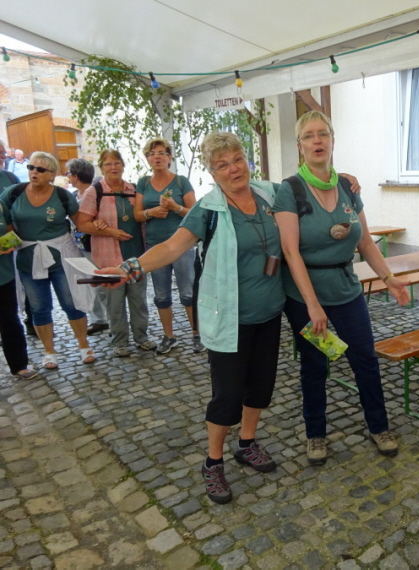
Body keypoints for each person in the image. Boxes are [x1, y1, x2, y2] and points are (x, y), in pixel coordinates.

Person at [97, 132, 284, 505]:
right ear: (212, 173)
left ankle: (246, 443)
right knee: (227, 395)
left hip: (269, 312)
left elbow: (307, 189)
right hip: (229, 317)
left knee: (261, 387)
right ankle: (213, 462)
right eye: (222, 165)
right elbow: (171, 246)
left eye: (237, 159)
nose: (234, 169)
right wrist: (131, 267)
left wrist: (342, 179)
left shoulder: (269, 194)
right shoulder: (208, 209)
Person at [273, 110, 410, 466]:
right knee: (315, 363)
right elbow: (290, 252)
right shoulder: (290, 190)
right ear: (300, 145)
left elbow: (364, 242)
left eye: (323, 134)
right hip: (305, 295)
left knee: (364, 359)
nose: (317, 141)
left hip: (346, 288)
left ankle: (379, 426)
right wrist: (312, 305)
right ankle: (315, 434)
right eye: (309, 136)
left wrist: (388, 278)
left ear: (333, 140)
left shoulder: (348, 187)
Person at [0, 152, 96, 369]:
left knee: (71, 303)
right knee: (39, 307)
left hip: (60, 258)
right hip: (28, 260)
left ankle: (84, 345)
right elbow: (4, 221)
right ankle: (49, 351)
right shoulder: (13, 193)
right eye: (31, 168)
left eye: (40, 170)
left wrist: (103, 228)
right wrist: (9, 241)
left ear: (52, 174)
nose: (34, 172)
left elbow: (81, 223)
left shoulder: (62, 196)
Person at [76, 151, 156, 358]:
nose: (113, 167)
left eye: (117, 163)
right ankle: (119, 342)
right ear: (102, 167)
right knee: (114, 303)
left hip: (136, 255)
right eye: (108, 164)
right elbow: (82, 224)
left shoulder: (134, 190)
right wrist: (109, 231)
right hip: (108, 257)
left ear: (123, 165)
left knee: (139, 301)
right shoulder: (95, 192)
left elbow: (141, 216)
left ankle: (141, 337)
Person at [134, 138, 201, 354]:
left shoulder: (181, 182)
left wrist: (175, 207)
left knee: (188, 293)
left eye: (162, 153)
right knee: (161, 295)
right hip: (155, 245)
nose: (157, 157)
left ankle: (197, 334)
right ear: (147, 158)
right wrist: (151, 212)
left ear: (169, 157)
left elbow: (195, 213)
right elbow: (137, 215)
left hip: (182, 245)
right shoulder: (144, 183)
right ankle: (169, 336)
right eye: (152, 154)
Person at [67, 158, 110, 335]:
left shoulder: (94, 194)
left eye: (69, 174)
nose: (67, 177)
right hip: (78, 246)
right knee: (89, 284)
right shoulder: (72, 196)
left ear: (76, 176)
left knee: (101, 284)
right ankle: (98, 319)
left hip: (94, 245)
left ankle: (111, 319)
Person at [0, 181, 38, 379]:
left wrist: (9, 242)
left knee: (10, 320)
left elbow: (10, 230)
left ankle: (19, 365)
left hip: (3, 274)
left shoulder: (0, 204)